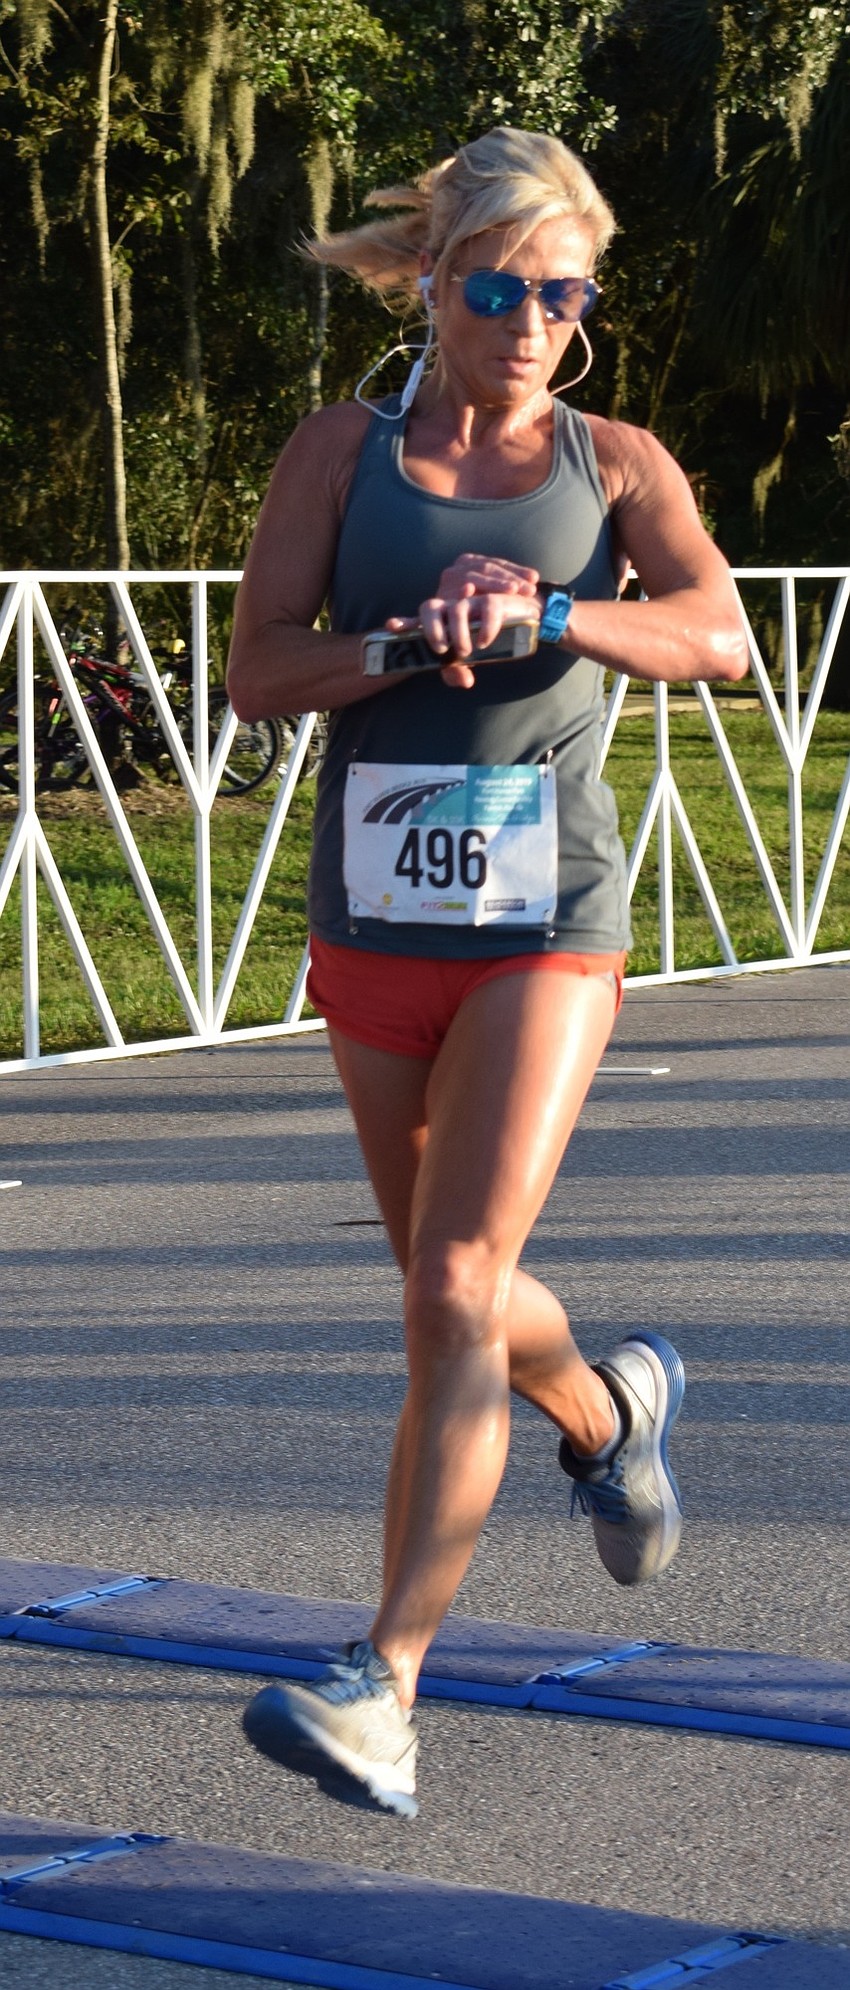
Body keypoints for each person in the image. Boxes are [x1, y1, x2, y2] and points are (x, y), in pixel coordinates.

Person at [226, 126, 748, 1820]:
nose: (528, 324)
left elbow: (719, 635)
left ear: (585, 305)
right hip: (376, 931)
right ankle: (605, 1412)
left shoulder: (614, 463)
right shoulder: (339, 451)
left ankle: (383, 1687)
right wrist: (404, 639)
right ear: (435, 285)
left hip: (545, 923)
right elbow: (257, 673)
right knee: (447, 1288)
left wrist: (553, 613)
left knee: (453, 1281)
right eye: (496, 289)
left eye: (561, 294)